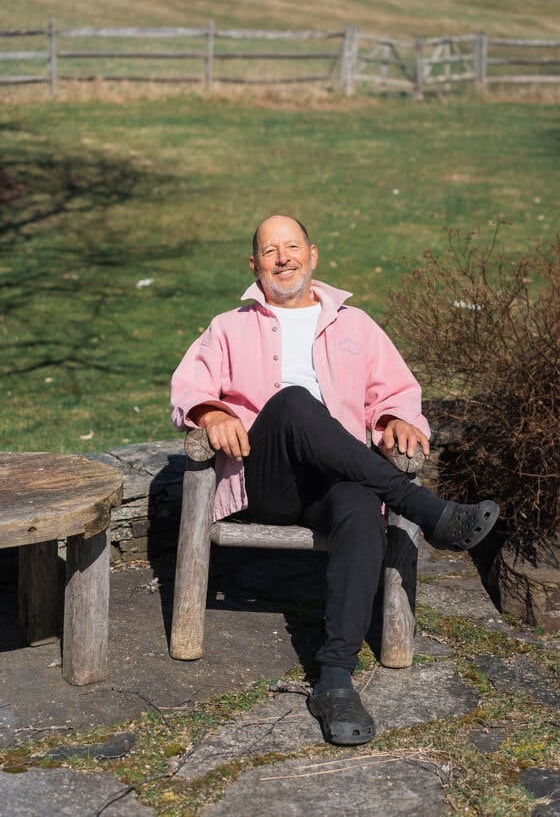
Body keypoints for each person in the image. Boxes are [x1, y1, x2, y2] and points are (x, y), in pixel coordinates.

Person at [171, 214, 500, 746]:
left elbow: (395, 390)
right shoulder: (228, 326)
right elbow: (188, 386)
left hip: (333, 480)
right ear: (254, 265)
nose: (284, 257)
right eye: (270, 250)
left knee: (357, 507)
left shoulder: (357, 325)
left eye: (293, 246)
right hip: (270, 479)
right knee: (296, 403)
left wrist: (396, 420)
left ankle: (335, 679)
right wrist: (211, 413)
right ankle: (426, 509)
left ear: (313, 255)